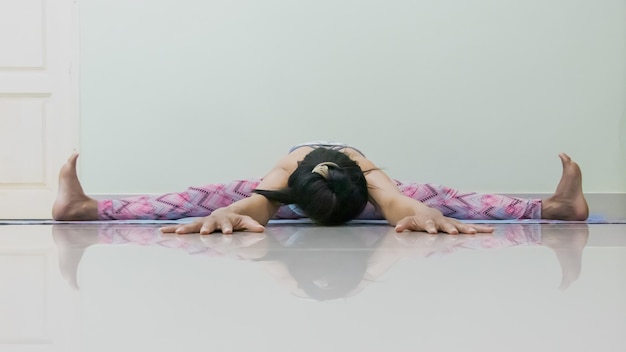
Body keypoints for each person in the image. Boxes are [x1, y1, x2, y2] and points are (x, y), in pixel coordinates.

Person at [52, 141, 589, 234]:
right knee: (206, 196)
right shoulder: (289, 170)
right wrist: (231, 215)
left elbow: (400, 204)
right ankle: (85, 208)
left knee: (439, 197)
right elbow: (256, 204)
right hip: (294, 194)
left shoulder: (364, 171)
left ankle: (555, 207)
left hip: (359, 195)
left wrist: (418, 213)